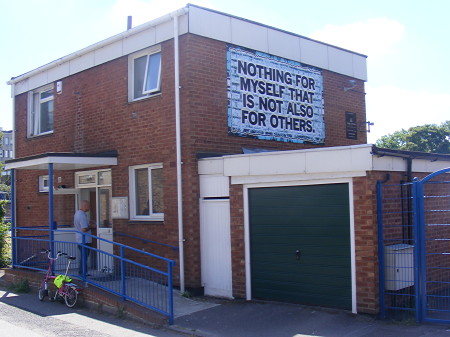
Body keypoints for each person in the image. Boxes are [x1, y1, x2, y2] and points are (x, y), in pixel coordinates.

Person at [74, 200, 96, 275]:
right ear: (85, 206)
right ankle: (83, 272)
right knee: (84, 257)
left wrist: (88, 223)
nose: (89, 208)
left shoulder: (77, 213)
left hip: (79, 239)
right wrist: (91, 226)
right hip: (85, 240)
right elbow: (84, 229)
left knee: (83, 256)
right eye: (88, 206)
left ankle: (83, 271)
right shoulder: (82, 215)